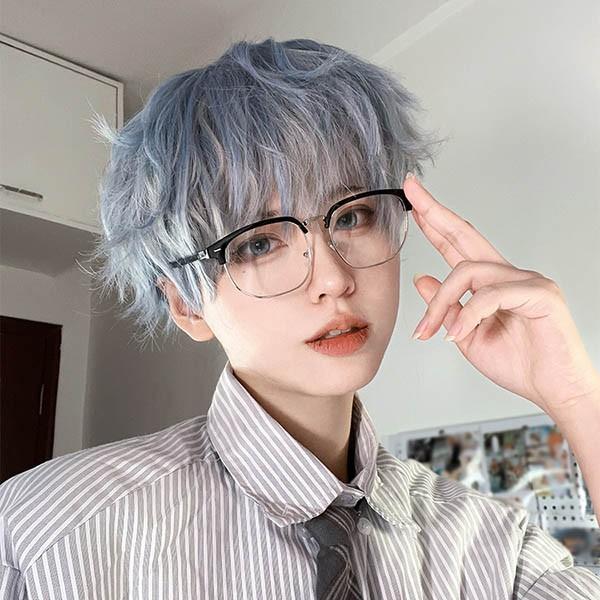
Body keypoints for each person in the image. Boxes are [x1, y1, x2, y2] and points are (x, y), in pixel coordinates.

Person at [1, 37, 599, 599]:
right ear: (186, 303)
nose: (334, 278)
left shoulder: (493, 548)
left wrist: (576, 396)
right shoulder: (48, 536)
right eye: (259, 243)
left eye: (353, 215)